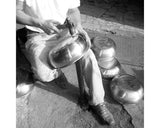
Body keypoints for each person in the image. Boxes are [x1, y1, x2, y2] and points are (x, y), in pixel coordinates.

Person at [16, 0, 115, 125]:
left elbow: (73, 10)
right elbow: (15, 11)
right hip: (37, 34)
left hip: (65, 29)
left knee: (88, 55)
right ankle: (57, 74)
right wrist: (39, 22)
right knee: (42, 74)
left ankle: (98, 102)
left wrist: (78, 26)